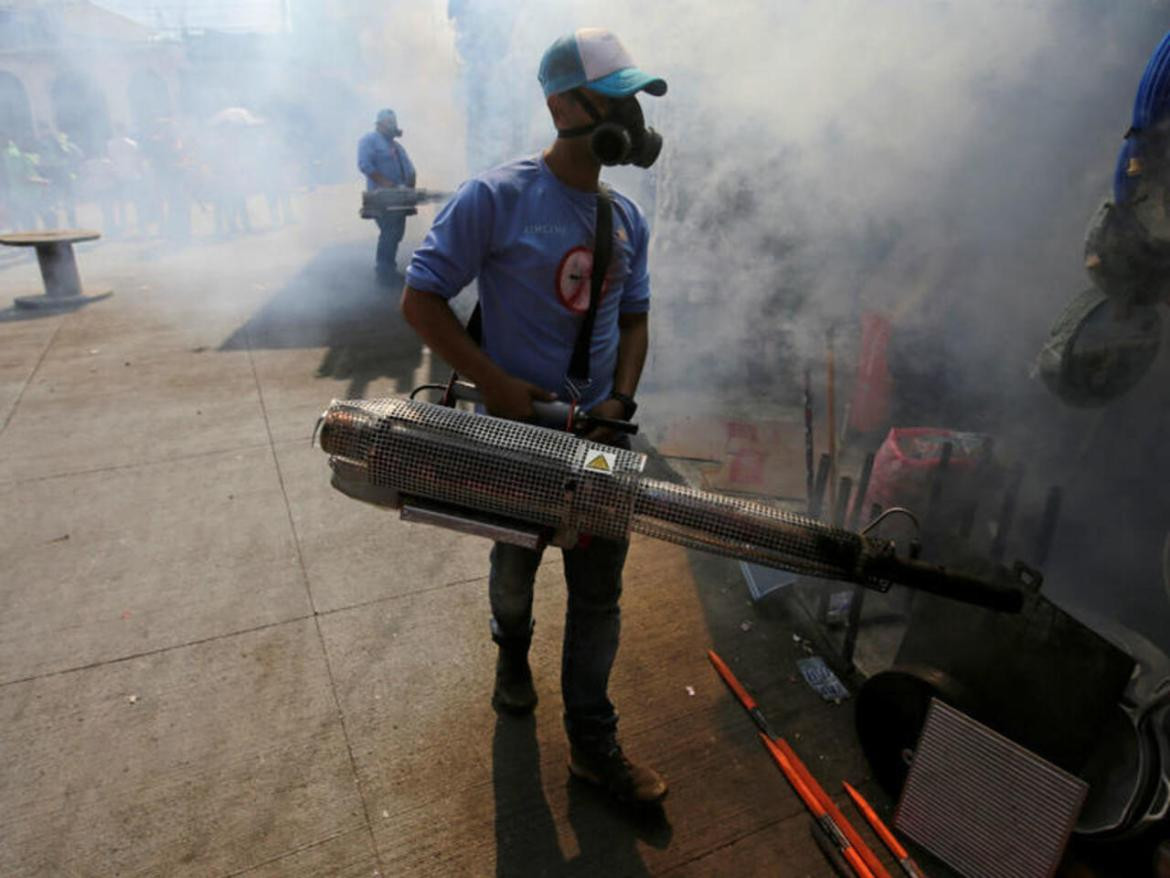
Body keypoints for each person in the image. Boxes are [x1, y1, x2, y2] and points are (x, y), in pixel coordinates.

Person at [400, 28, 667, 805]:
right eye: (615, 96)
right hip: (516, 436)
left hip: (601, 442)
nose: (629, 114)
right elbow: (421, 300)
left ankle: (593, 745)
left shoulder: (626, 221)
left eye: (633, 99)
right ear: (562, 104)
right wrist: (496, 383)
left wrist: (621, 397)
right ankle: (510, 652)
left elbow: (637, 316)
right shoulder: (497, 197)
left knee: (599, 596)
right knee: (514, 571)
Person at [357, 108, 416, 285]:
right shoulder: (369, 140)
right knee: (389, 232)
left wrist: (409, 186)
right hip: (382, 198)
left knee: (397, 233)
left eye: (395, 123)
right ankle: (384, 272)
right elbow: (364, 165)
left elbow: (410, 169)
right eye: (390, 123)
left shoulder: (397, 147)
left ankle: (388, 267)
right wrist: (386, 183)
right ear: (380, 124)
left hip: (399, 198)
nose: (394, 126)